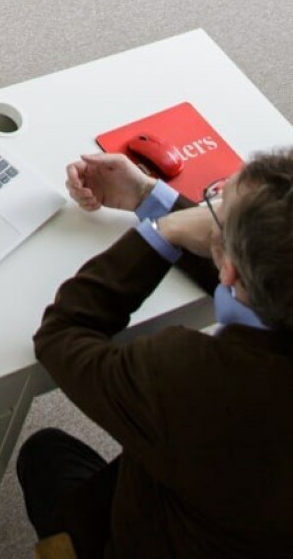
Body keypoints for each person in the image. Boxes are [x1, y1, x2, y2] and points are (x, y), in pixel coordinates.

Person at [18, 147, 293, 559]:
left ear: (230, 269)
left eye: (217, 210)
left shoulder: (189, 376)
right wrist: (148, 196)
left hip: (157, 534)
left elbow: (62, 335)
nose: (209, 208)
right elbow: (269, 278)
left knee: (43, 454)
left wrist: (162, 231)